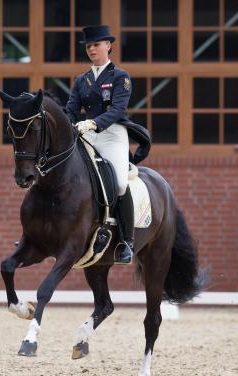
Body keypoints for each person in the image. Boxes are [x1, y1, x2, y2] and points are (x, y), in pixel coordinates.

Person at [65, 25, 151, 264]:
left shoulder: (119, 76)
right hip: (87, 134)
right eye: (89, 46)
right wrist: (69, 125)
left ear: (108, 46)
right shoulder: (81, 80)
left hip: (112, 134)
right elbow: (71, 110)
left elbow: (117, 110)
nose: (92, 49)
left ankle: (126, 241)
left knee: (120, 184)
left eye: (96, 45)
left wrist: (92, 123)